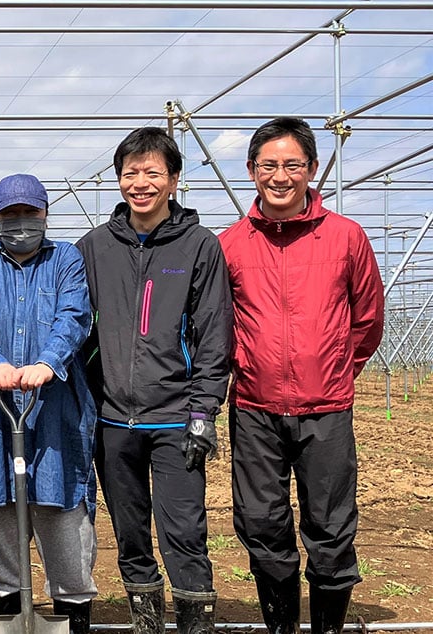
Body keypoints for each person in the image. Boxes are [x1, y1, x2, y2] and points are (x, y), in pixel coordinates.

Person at [219, 117, 384, 634]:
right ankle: (281, 626)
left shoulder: (345, 237)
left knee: (330, 527)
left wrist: (335, 367)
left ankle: (327, 627)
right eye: (269, 165)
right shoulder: (230, 244)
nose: (281, 175)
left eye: (293, 164)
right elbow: (217, 323)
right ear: (251, 171)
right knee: (262, 524)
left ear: (312, 170)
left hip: (326, 410)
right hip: (254, 408)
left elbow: (368, 318)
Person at [76, 127, 231, 634]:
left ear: (174, 180)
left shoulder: (198, 246)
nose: (140, 183)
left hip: (175, 418)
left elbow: (213, 335)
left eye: (152, 173)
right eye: (130, 173)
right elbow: (75, 328)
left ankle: (194, 624)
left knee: (184, 532)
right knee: (131, 534)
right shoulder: (95, 246)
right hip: (113, 419)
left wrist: (204, 412)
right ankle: (146, 622)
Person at [0, 174, 98, 634]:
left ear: (45, 215)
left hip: (55, 403)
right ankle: (6, 611)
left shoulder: (66, 259)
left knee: (61, 508)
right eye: (11, 214)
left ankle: (72, 609)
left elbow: (74, 316)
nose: (21, 222)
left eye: (30, 213)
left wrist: (47, 362)